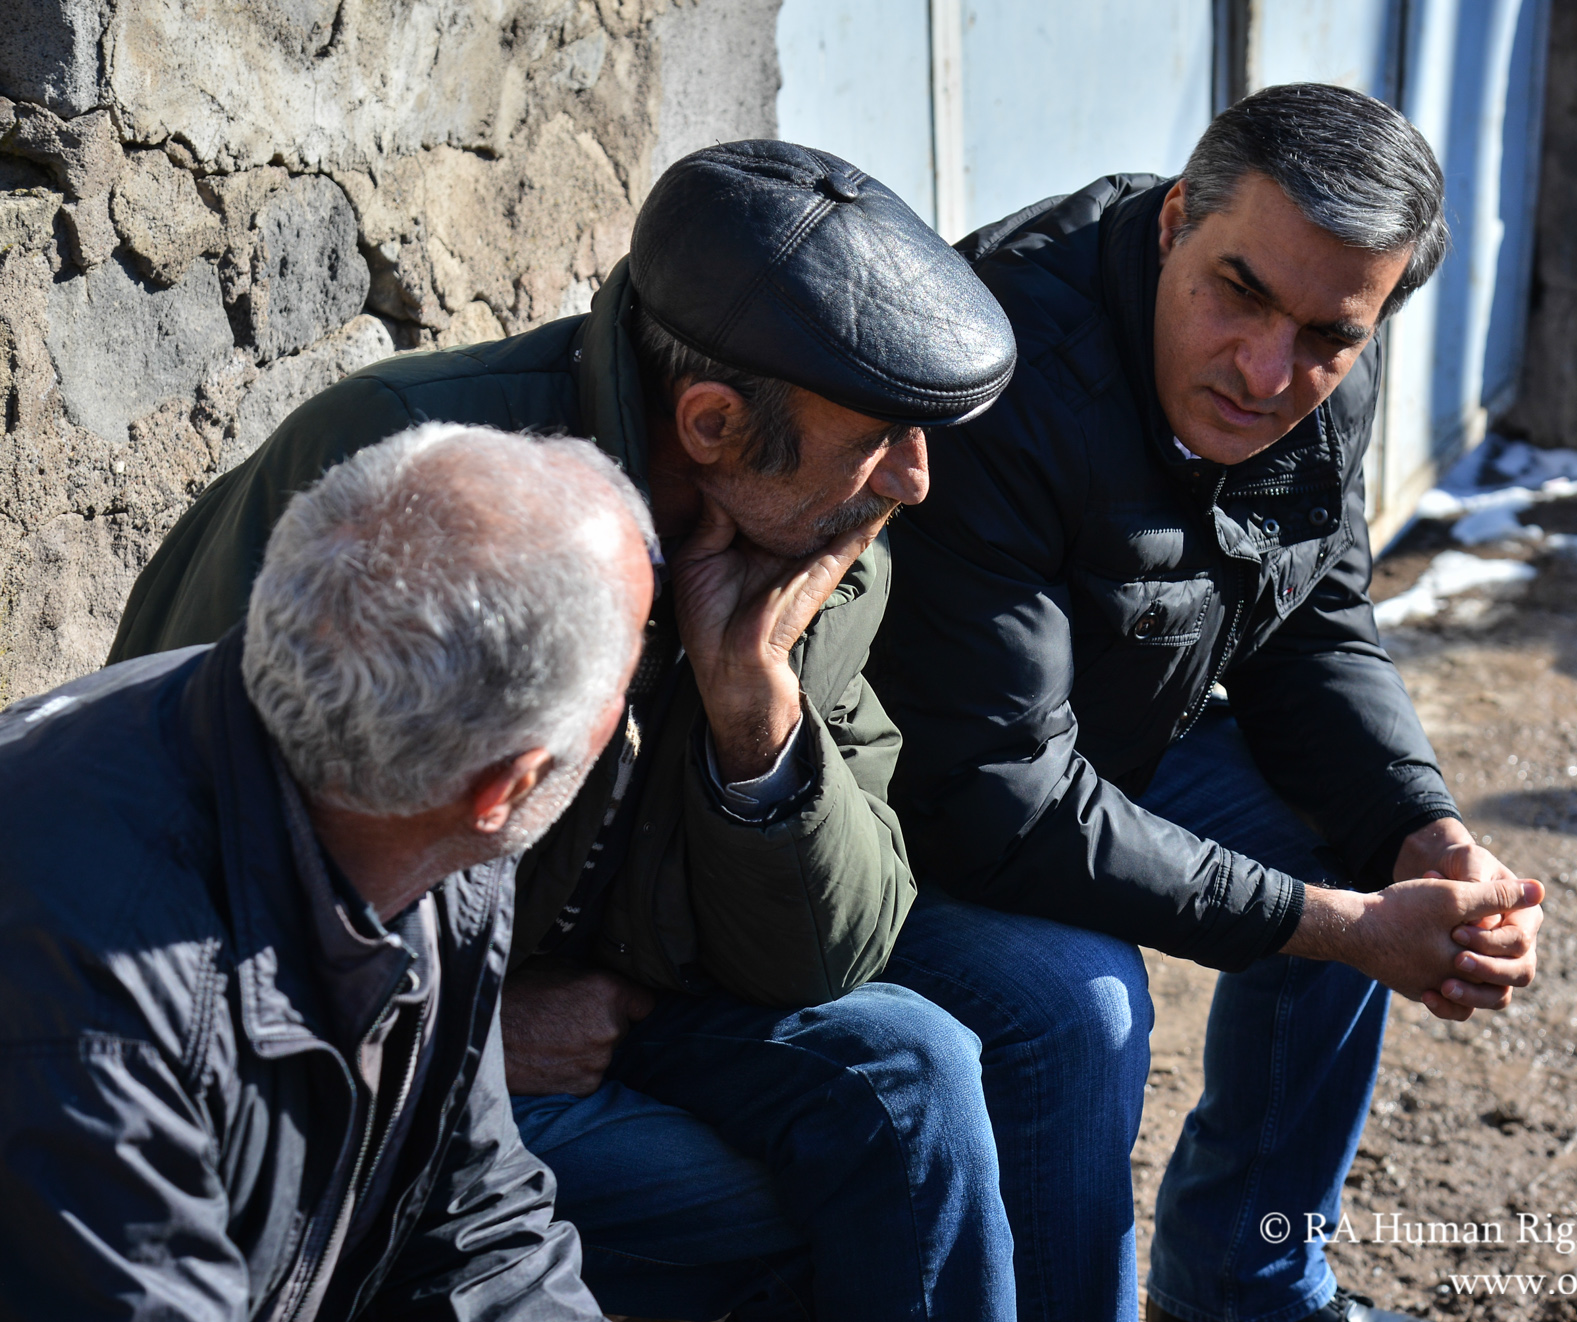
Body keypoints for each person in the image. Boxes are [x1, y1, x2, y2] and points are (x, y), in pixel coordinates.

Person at [106, 141, 1022, 1321]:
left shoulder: (823, 547)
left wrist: (752, 706)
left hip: (641, 1000)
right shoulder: (411, 476)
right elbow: (176, 876)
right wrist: (470, 1032)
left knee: (918, 1073)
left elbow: (821, 958)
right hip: (384, 1042)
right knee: (775, 1214)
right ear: (712, 422)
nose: (915, 480)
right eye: (880, 437)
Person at [870, 84, 1548, 1322]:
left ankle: (1248, 1288)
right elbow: (994, 796)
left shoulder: (1327, 360)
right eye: (1239, 292)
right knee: (1078, 1005)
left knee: (1354, 845)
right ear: (1177, 217)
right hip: (907, 804)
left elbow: (1314, 622)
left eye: (1330, 335)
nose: (1266, 371)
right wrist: (1336, 926)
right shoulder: (1004, 370)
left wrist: (1421, 831)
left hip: (1106, 742)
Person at [0, 424, 652, 1320]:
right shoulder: (90, 1014)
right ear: (509, 787)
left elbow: (476, 1226)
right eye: (630, 668)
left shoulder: (424, 827)